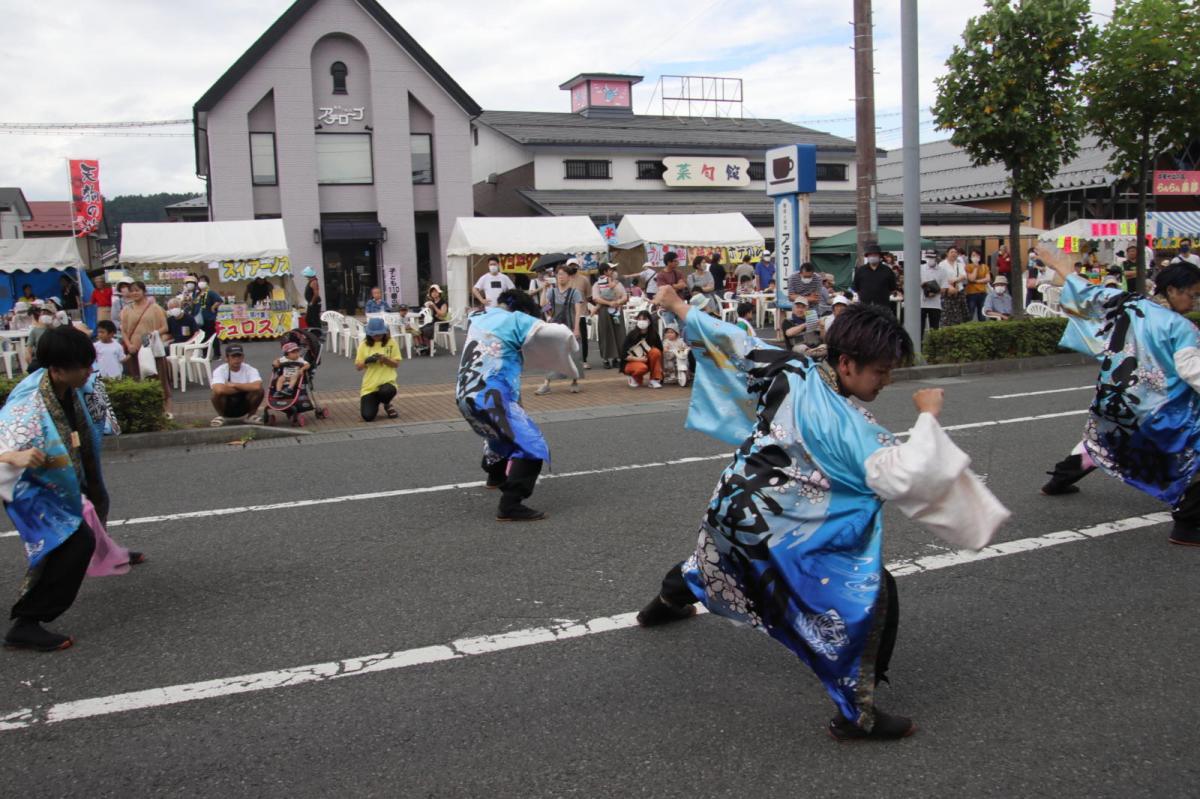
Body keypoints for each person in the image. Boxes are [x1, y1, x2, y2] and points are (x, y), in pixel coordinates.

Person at [635, 286, 1007, 740]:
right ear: (847, 363)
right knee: (872, 594)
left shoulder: (788, 365)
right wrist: (928, 417)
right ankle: (858, 715)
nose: (886, 382)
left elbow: (730, 339)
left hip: (734, 506)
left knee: (712, 560)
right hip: (781, 530)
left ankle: (665, 603)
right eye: (881, 372)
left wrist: (677, 306)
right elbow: (908, 474)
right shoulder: (848, 426)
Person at [1040, 261, 1200, 548]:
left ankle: (1060, 479)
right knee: (1195, 455)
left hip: (1116, 400)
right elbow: (1192, 371)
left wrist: (1059, 265)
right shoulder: (1182, 327)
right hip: (1159, 412)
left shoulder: (1129, 303)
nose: (1195, 301)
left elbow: (1087, 292)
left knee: (1101, 441)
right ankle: (1187, 525)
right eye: (1192, 295)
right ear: (1173, 290)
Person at [1, 326, 115, 651]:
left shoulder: (72, 386)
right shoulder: (28, 405)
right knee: (73, 542)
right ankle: (27, 623)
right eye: (84, 366)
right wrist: (15, 454)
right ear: (58, 369)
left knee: (91, 509)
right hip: (27, 485)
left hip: (57, 477)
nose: (90, 371)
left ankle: (107, 553)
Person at [457, 289, 578, 522]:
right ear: (523, 310)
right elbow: (557, 332)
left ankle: (495, 476)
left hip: (465, 394)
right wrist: (570, 353)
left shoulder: (479, 317)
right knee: (531, 443)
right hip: (491, 395)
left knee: (498, 435)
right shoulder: (515, 319)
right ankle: (510, 504)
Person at [119, 281, 172, 418]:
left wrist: (153, 334)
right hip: (134, 350)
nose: (135, 293)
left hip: (152, 349)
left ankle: (164, 409)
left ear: (144, 291)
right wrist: (128, 345)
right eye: (132, 291)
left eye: (137, 290)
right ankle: (142, 411)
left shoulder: (155, 308)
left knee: (158, 378)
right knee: (136, 378)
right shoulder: (126, 310)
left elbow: (165, 327)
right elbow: (123, 331)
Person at [535, 265, 585, 395]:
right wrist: (545, 289)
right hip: (555, 326)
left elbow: (578, 312)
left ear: (569, 277)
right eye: (558, 274)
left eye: (563, 274)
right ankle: (546, 383)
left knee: (573, 354)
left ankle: (574, 381)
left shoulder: (575, 293)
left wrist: (576, 328)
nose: (560, 277)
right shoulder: (552, 291)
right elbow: (542, 305)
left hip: (570, 325)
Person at [354, 316, 401, 421]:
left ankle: (387, 404)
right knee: (368, 417)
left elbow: (396, 364)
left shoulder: (391, 343)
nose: (376, 336)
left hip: (387, 382)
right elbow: (358, 367)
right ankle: (375, 401)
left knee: (387, 391)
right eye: (374, 334)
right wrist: (367, 361)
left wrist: (385, 359)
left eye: (379, 334)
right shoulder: (364, 344)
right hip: (369, 386)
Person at [210, 344, 264, 426]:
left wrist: (234, 385)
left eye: (239, 356)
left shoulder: (250, 369)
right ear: (227, 358)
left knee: (260, 391)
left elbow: (257, 386)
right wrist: (246, 387)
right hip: (227, 405)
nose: (237, 359)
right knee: (215, 393)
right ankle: (221, 416)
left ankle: (251, 416)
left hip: (244, 403)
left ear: (243, 357)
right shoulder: (220, 370)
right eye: (233, 357)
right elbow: (219, 389)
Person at [592, 263, 627, 369]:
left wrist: (618, 301)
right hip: (604, 311)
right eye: (610, 270)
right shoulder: (597, 284)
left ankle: (617, 358)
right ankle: (606, 359)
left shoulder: (617, 283)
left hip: (616, 309)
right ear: (605, 271)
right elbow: (596, 298)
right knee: (605, 333)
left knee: (619, 333)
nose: (612, 271)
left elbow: (624, 296)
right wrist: (609, 303)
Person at [622, 310, 663, 389]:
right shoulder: (632, 335)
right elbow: (624, 354)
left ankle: (654, 379)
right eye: (639, 319)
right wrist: (639, 359)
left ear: (649, 321)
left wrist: (661, 371)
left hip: (646, 361)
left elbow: (660, 351)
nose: (641, 321)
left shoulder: (654, 334)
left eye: (644, 319)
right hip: (632, 362)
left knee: (656, 351)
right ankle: (633, 377)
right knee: (642, 368)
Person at [852, 242, 897, 312]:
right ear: (867, 256)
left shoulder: (887, 270)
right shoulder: (861, 270)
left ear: (879, 256)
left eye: (875, 254)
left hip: (883, 306)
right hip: (865, 306)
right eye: (870, 255)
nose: (873, 256)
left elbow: (892, 288)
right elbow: (856, 288)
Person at [919, 254, 951, 335]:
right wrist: (923, 285)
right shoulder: (920, 268)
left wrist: (935, 292)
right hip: (920, 303)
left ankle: (933, 346)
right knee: (919, 328)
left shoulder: (942, 270)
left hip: (935, 304)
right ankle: (919, 346)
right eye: (929, 257)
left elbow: (944, 287)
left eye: (933, 257)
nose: (931, 259)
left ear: (936, 258)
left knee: (934, 328)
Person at [939, 247, 969, 326]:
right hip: (947, 291)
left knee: (960, 312)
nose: (954, 254)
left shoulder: (960, 264)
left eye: (955, 252)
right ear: (947, 253)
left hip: (959, 290)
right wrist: (950, 285)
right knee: (947, 313)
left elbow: (964, 276)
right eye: (952, 252)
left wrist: (954, 280)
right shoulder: (942, 264)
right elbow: (941, 278)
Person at [194, 276, 223, 357]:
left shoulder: (210, 292)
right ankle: (205, 354)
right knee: (203, 337)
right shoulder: (197, 294)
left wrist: (213, 307)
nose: (201, 282)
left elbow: (219, 300)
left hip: (209, 318)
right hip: (199, 319)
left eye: (203, 281)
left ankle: (217, 354)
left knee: (212, 336)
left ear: (207, 283)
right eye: (200, 281)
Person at [657, 251, 688, 327]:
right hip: (668, 307)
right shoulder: (661, 275)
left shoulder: (678, 273)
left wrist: (672, 286)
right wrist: (676, 286)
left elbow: (683, 285)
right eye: (675, 261)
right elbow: (664, 291)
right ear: (668, 262)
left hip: (680, 305)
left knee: (683, 328)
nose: (677, 263)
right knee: (670, 328)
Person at [420, 285, 449, 350]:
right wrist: (429, 307)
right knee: (421, 329)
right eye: (432, 292)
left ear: (439, 293)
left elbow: (443, 314)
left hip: (442, 324)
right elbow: (433, 314)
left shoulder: (443, 302)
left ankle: (431, 347)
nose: (434, 293)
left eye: (436, 291)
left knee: (427, 330)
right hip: (434, 322)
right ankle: (426, 346)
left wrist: (434, 306)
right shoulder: (432, 302)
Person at [965, 248, 990, 321]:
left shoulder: (984, 266)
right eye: (973, 255)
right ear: (970, 257)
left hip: (982, 292)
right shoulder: (968, 266)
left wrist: (976, 281)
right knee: (970, 312)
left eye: (977, 255)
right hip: (971, 293)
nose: (975, 257)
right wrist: (975, 267)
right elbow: (971, 278)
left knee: (982, 313)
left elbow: (987, 279)